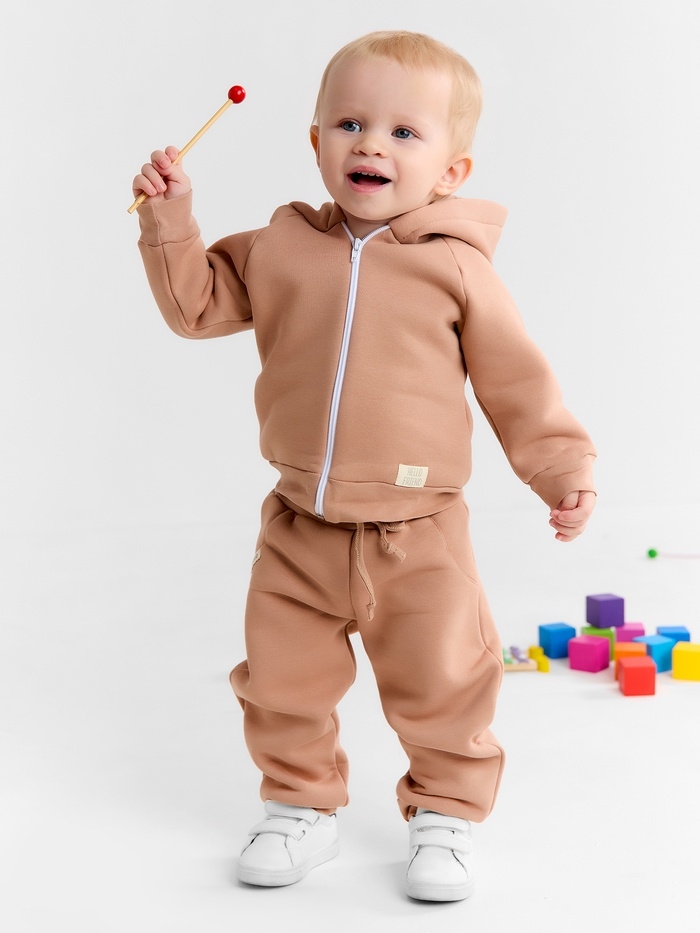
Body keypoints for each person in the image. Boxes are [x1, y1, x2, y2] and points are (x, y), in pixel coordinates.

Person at [132, 30, 596, 902]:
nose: (371, 144)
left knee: (446, 680)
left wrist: (562, 467)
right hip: (299, 525)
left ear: (452, 172)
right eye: (349, 123)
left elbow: (516, 383)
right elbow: (196, 306)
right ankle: (299, 805)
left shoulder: (455, 268)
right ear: (316, 142)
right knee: (280, 680)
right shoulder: (280, 247)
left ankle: (446, 813)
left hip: (420, 533)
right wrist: (171, 217)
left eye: (403, 132)